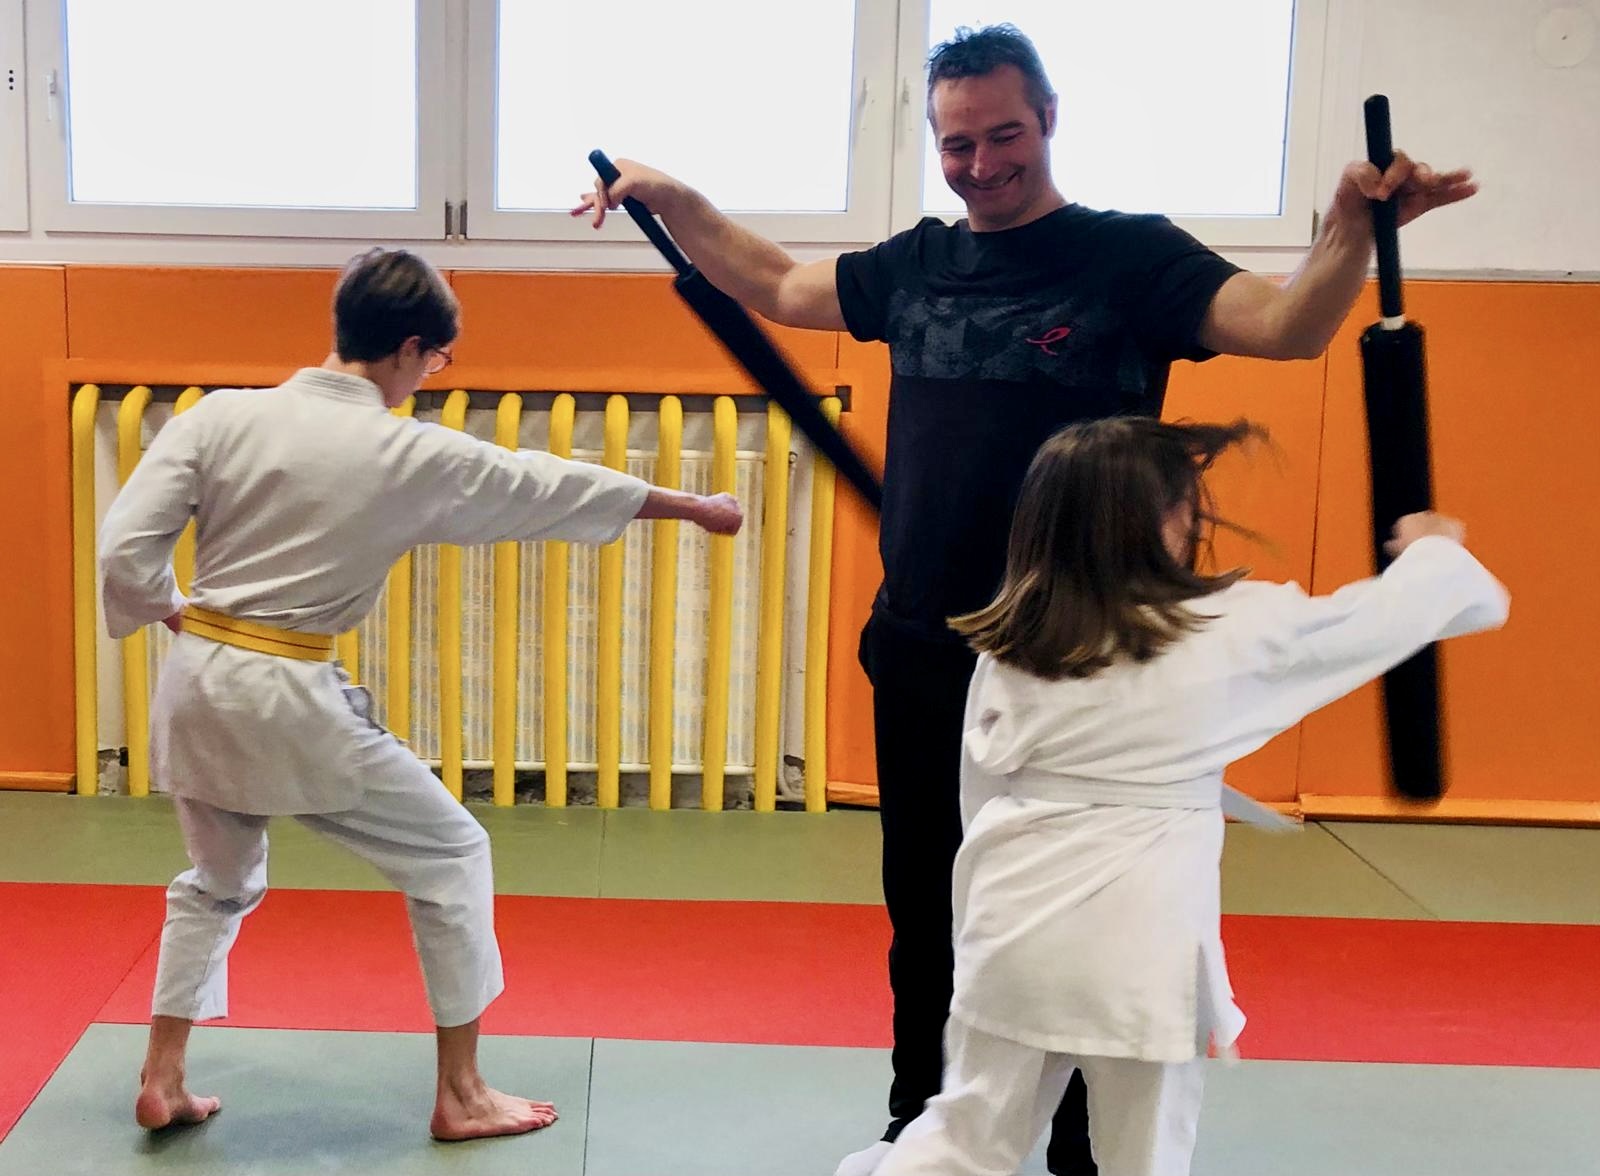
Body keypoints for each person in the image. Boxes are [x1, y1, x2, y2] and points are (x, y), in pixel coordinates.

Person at [573, 23, 1476, 1176]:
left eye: (1002, 135)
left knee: (1084, 921)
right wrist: (671, 195)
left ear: (1046, 119)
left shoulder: (1127, 258)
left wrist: (1349, 226)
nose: (980, 164)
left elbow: (1288, 327)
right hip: (924, 645)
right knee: (928, 908)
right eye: (956, 144)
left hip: (1085, 657)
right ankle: (926, 1127)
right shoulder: (915, 263)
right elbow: (778, 284)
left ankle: (1080, 1150)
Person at [98, 247, 743, 1142]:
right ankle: (463, 1092)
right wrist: (691, 505)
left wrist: (178, 615)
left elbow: (123, 551)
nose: (429, 376)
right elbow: (542, 484)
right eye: (436, 361)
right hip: (288, 696)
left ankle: (163, 1076)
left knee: (217, 882)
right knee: (451, 853)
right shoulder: (405, 449)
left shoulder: (220, 416)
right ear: (409, 348)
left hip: (196, 684)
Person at [869, 416, 1508, 1176]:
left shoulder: (1013, 646)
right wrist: (1434, 548)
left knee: (964, 1136)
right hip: (1141, 952)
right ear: (1170, 520)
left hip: (1011, 932)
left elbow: (980, 801)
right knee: (1144, 1158)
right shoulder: (1227, 629)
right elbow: (1393, 617)